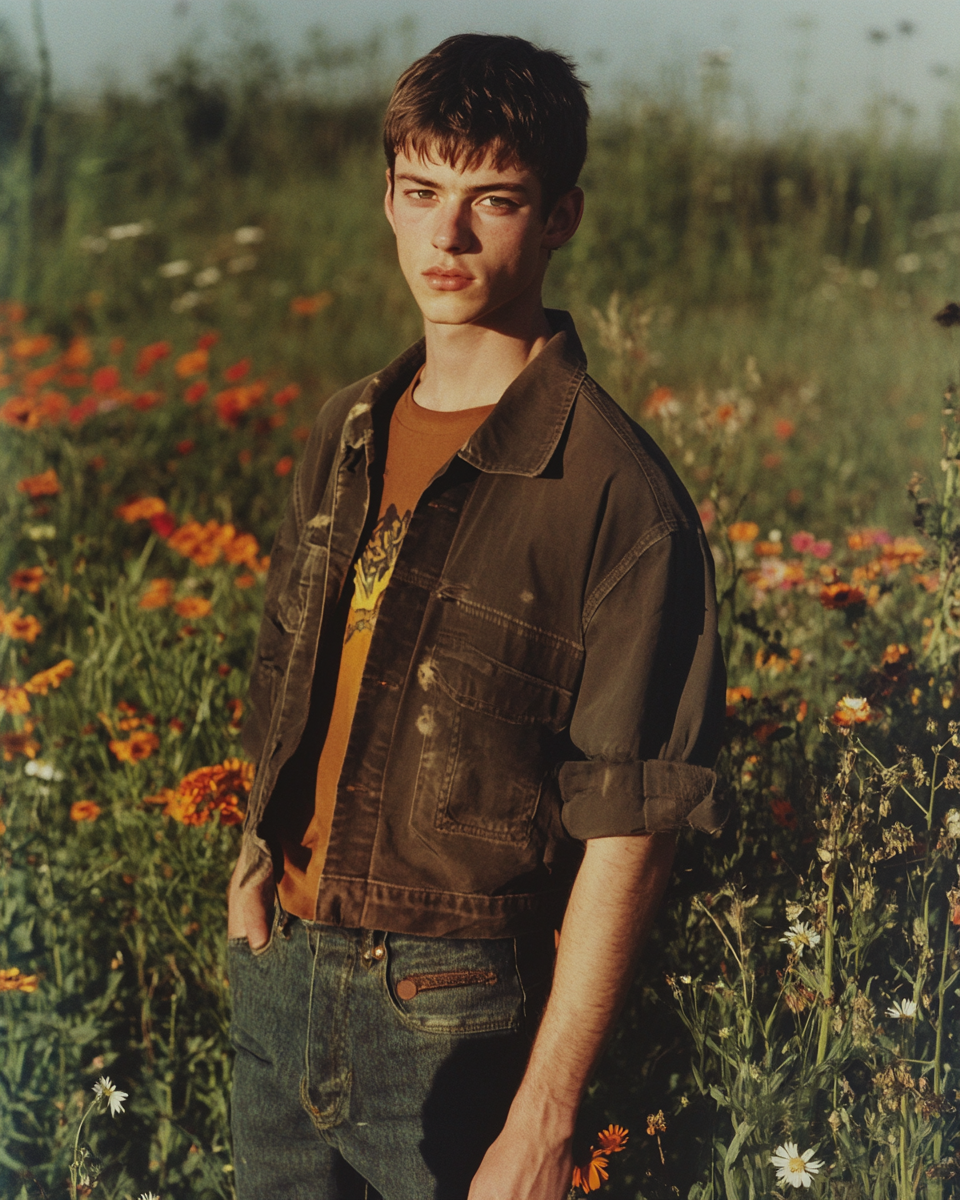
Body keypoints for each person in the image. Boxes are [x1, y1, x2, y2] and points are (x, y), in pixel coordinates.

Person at [226, 32, 726, 1200]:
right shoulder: (349, 428)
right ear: (387, 201)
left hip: (451, 1009)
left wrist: (545, 1115)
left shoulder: (617, 492)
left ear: (560, 217)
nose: (446, 238)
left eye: (492, 200)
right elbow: (291, 662)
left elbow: (632, 817)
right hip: (281, 977)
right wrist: (252, 857)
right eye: (422, 194)